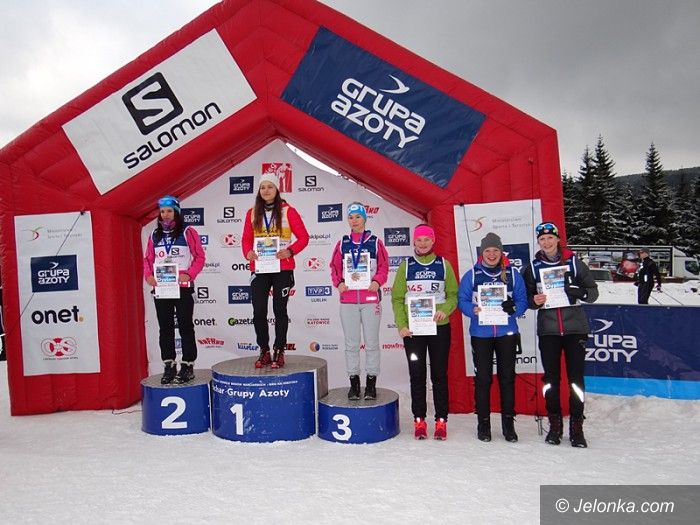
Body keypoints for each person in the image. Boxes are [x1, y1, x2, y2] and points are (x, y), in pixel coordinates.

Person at [521, 222, 598, 448]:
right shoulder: (532, 267)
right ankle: (554, 424)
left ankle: (577, 426)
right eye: (542, 239)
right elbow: (525, 299)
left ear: (557, 239)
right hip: (549, 330)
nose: (546, 242)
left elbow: (593, 292)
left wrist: (580, 292)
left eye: (550, 238)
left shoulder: (574, 263)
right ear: (538, 242)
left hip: (575, 329)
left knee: (576, 379)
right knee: (551, 379)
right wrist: (534, 301)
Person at [458, 232, 528, 442]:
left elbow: (522, 300)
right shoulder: (472, 274)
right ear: (482, 253)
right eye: (487, 250)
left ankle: (508, 425)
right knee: (483, 379)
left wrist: (514, 308)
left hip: (507, 333)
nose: (491, 254)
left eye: (495, 250)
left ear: (501, 252)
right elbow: (462, 300)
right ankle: (484, 424)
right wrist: (472, 310)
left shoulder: (513, 274)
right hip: (481, 334)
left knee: (507, 378)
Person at [391, 224, 458, 440]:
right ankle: (419, 420)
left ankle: (441, 421)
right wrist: (402, 325)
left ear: (433, 241)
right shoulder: (406, 266)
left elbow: (453, 295)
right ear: (414, 242)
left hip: (439, 328)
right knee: (417, 375)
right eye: (419, 240)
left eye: (426, 239)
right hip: (414, 331)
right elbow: (397, 298)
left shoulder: (444, 265)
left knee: (439, 375)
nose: (422, 243)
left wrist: (444, 310)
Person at [242, 172, 309, 369]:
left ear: (277, 189)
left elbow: (304, 237)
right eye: (262, 187)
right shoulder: (252, 212)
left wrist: (290, 251)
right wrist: (248, 253)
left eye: (270, 186)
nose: (266, 191)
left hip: (282, 268)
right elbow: (246, 239)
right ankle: (264, 350)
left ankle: (279, 350)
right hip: (260, 267)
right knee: (259, 311)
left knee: (280, 310)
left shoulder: (288, 211)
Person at [143, 196, 206, 384]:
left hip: (182, 287)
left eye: (169, 211)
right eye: (162, 211)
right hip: (162, 288)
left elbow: (199, 257)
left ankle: (188, 365)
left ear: (176, 212)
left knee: (186, 326)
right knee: (165, 327)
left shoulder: (188, 231)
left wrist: (190, 274)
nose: (165, 214)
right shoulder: (155, 234)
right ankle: (169, 365)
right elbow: (148, 259)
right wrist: (148, 276)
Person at [330, 203, 389, 400]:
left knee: (371, 343)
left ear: (364, 218)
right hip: (348, 300)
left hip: (370, 299)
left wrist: (377, 281)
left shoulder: (375, 242)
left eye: (357, 217)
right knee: (351, 344)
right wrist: (338, 283)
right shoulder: (343, 242)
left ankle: (371, 384)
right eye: (351, 217)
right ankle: (354, 384)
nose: (354, 221)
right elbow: (334, 267)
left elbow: (384, 266)